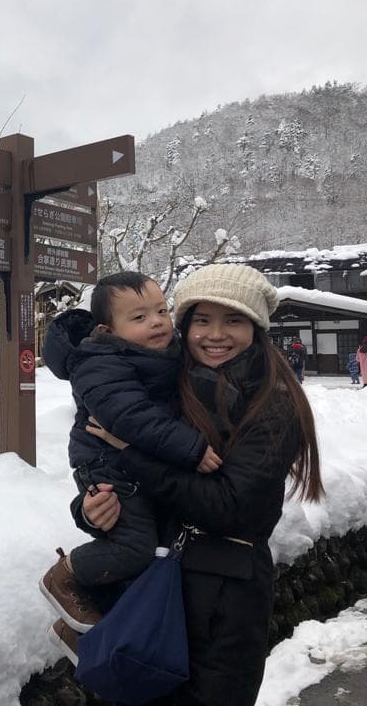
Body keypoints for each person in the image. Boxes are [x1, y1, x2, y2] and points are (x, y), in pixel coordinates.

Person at [73, 263, 323, 706]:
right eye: (201, 320)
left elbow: (228, 507)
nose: (215, 334)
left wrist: (131, 451)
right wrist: (91, 509)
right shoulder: (170, 383)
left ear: (256, 328)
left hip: (226, 600)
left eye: (233, 320)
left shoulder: (272, 405)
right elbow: (122, 474)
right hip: (154, 585)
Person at [40, 271, 221, 637]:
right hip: (108, 465)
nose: (156, 322)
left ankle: (102, 635)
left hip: (142, 466)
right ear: (107, 331)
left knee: (152, 557)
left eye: (161, 311)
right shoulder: (98, 362)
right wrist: (191, 448)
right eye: (139, 318)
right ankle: (66, 575)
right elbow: (129, 417)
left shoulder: (168, 354)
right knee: (135, 548)